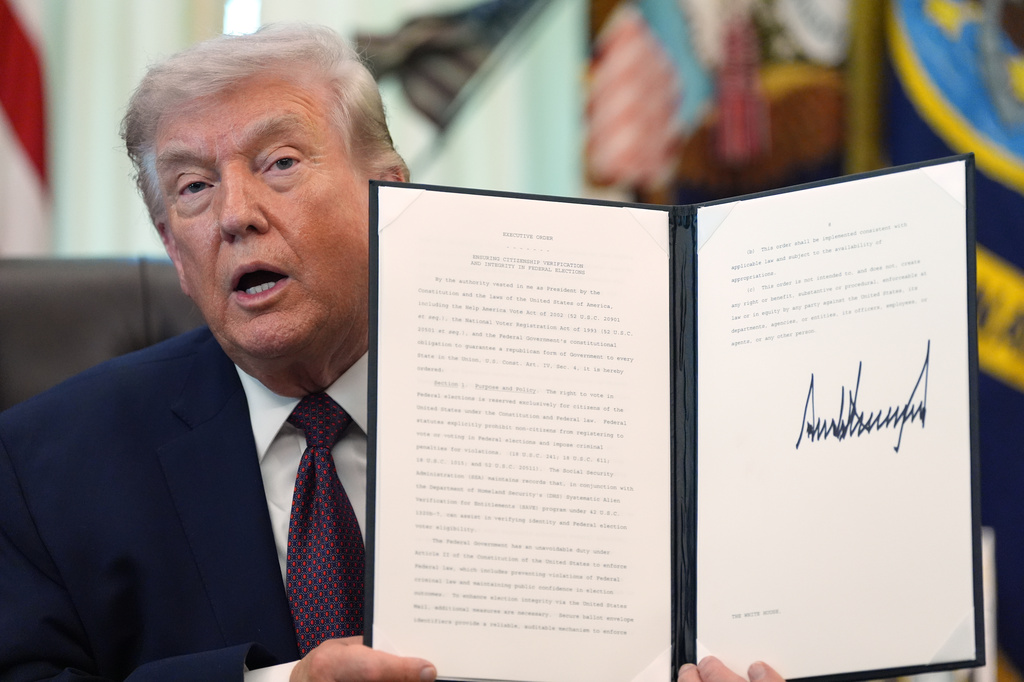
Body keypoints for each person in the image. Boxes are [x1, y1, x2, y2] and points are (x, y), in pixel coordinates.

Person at [0, 23, 785, 682]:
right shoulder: (47, 467)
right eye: (193, 189)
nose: (235, 214)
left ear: (389, 193)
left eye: (279, 163)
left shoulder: (582, 405)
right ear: (174, 249)